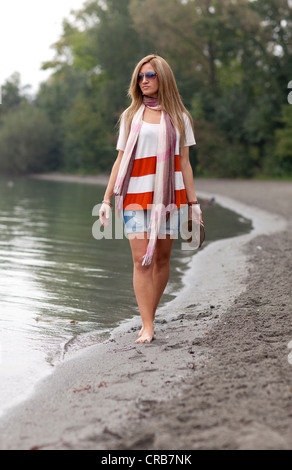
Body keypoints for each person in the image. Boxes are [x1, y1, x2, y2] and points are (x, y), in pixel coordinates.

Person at [99, 54, 202, 344]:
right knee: (140, 260)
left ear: (163, 78)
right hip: (134, 195)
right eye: (140, 76)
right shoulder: (131, 117)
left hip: (170, 196)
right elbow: (119, 161)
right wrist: (106, 199)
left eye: (150, 75)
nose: (144, 81)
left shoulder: (181, 118)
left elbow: (184, 164)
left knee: (161, 259)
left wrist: (194, 204)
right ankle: (147, 325)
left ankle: (149, 316)